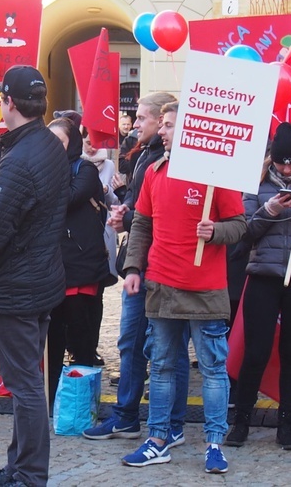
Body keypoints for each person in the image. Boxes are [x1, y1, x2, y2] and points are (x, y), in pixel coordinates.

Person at [120, 101, 245, 473]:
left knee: (213, 368)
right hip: (161, 283)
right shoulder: (156, 172)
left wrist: (216, 231)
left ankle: (214, 444)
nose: (162, 130)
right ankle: (158, 438)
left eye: (170, 125)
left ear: (190, 130)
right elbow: (142, 223)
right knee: (160, 366)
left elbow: (239, 224)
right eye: (163, 124)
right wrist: (133, 267)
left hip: (205, 288)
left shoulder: (216, 175)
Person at [0, 65, 69, 487]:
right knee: (28, 384)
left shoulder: (24, 157)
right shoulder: (44, 144)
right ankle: (20, 467)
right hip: (39, 280)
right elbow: (23, 204)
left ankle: (28, 475)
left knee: (25, 387)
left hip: (16, 287)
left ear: (9, 102)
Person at [85, 93, 190, 445]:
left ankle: (172, 423)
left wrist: (128, 215)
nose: (145, 125)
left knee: (168, 349)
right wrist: (124, 212)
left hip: (166, 266)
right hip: (138, 263)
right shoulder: (146, 154)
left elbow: (164, 215)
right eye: (148, 120)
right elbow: (140, 207)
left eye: (148, 119)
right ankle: (126, 416)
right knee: (130, 342)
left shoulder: (178, 162)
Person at [225, 123, 291, 450]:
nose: (287, 168)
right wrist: (269, 210)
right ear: (272, 159)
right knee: (255, 352)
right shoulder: (257, 184)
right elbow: (244, 232)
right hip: (264, 276)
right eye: (282, 162)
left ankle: (287, 424)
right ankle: (241, 420)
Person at [46, 117, 110, 407]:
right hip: (50, 267)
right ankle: (51, 400)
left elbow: (70, 198)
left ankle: (85, 404)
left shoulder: (83, 169)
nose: (53, 148)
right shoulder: (40, 169)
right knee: (52, 339)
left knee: (82, 340)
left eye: (58, 142)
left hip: (81, 265)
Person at [81, 127, 124, 208]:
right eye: (89, 143)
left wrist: (107, 191)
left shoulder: (109, 165)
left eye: (97, 143)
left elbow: (115, 203)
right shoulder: (76, 162)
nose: (93, 148)